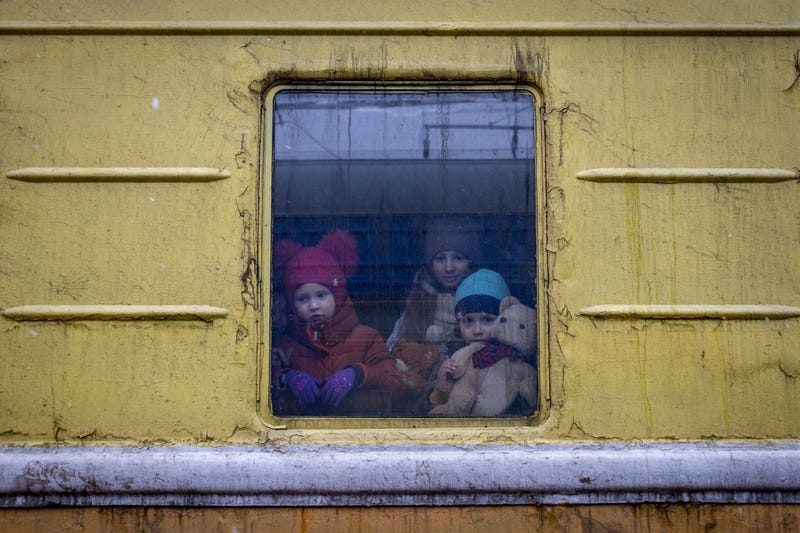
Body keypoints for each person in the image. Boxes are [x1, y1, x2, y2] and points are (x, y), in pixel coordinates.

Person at [272, 230, 402, 414]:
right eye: (303, 298)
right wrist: (286, 378)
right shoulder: (285, 345)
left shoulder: (366, 338)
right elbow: (258, 382)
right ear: (292, 304)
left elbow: (395, 385)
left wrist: (358, 374)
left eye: (321, 295)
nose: (313, 305)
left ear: (338, 296)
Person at [386, 217, 483, 356]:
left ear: (470, 262)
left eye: (458, 258)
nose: (449, 267)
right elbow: (395, 349)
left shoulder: (482, 296)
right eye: (440, 258)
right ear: (430, 263)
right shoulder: (420, 297)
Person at [428, 269, 511, 408]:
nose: (477, 330)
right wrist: (442, 388)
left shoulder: (511, 359)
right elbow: (432, 412)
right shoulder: (450, 361)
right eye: (469, 321)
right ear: (459, 324)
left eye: (487, 320)